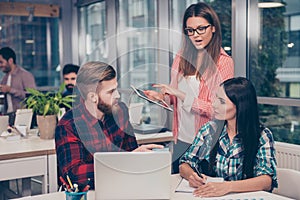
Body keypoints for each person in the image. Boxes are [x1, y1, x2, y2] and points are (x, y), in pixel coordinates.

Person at [144, 2, 234, 173]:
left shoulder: (224, 62)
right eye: (190, 31)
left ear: (213, 28)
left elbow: (220, 110)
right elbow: (173, 98)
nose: (196, 35)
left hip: (207, 142)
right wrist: (161, 98)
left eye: (201, 28)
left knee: (203, 190)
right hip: (181, 140)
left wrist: (182, 95)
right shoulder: (181, 57)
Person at [55, 61, 163, 190]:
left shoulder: (120, 110)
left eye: (116, 89)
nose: (117, 95)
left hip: (124, 187)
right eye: (111, 92)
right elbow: (75, 176)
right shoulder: (68, 126)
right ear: (93, 97)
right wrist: (126, 161)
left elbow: (131, 151)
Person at [179, 77, 277, 197]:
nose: (214, 104)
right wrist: (191, 176)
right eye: (216, 98)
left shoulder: (262, 136)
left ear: (241, 106)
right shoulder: (209, 130)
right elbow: (185, 164)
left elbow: (266, 181)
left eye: (222, 101)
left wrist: (227, 187)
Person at [0, 47, 36, 118]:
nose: (0, 65)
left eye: (1, 62)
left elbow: (32, 97)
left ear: (10, 61)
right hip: (8, 116)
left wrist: (10, 90)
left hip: (22, 117)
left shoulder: (25, 75)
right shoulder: (5, 78)